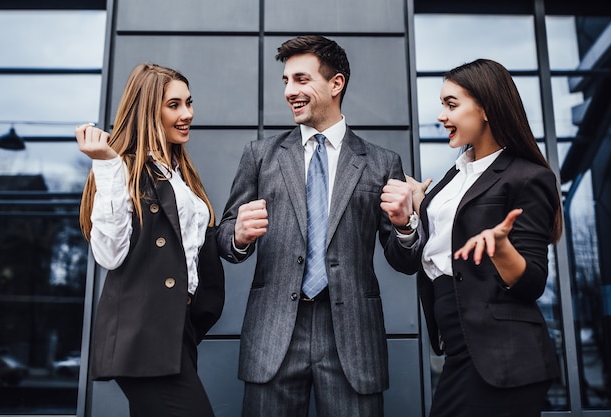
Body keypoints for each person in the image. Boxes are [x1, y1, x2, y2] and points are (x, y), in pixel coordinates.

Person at [216, 35, 420, 417]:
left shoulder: (380, 163)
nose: (290, 91)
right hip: (274, 332)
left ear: (336, 84)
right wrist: (238, 236)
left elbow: (404, 260)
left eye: (301, 79)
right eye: (286, 81)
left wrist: (405, 226)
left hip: (353, 337)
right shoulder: (260, 156)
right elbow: (226, 238)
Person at [398, 58, 563, 417]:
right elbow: (429, 251)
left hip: (505, 356)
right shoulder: (450, 180)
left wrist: (501, 249)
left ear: (486, 108)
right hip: (461, 347)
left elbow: (532, 281)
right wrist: (417, 210)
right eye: (442, 104)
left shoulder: (528, 177)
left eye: (451, 104)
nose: (442, 115)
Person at [75, 63, 224, 417]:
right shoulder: (121, 169)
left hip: (178, 330)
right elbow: (108, 254)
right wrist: (108, 165)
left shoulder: (178, 173)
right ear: (147, 109)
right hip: (144, 334)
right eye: (174, 105)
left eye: (188, 102)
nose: (187, 114)